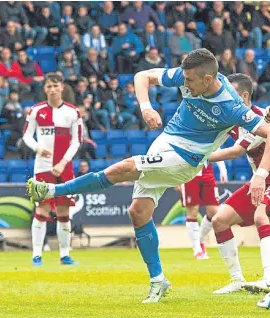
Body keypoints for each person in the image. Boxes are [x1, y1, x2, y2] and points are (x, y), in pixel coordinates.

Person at [27, 48, 270, 304]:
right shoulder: (188, 75)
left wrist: (261, 174)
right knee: (138, 212)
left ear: (208, 80)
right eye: (184, 79)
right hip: (165, 142)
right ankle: (158, 280)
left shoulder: (230, 105)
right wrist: (146, 107)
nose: (184, 85)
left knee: (125, 167)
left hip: (186, 159)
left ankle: (52, 191)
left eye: (189, 82)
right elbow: (142, 76)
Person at [203, 73, 270, 294]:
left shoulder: (259, 118)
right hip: (258, 180)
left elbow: (236, 151)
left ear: (243, 95)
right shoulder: (232, 120)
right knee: (220, 220)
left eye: (230, 94)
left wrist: (200, 157)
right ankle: (237, 280)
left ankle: (268, 279)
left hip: (265, 178)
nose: (226, 98)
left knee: (262, 217)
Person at [22, 73, 83, 267]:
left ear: (62, 87)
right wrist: (37, 148)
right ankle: (37, 255)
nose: (52, 89)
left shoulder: (73, 112)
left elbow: (77, 141)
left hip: (64, 167)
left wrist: (63, 162)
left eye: (55, 85)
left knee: (64, 210)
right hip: (43, 167)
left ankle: (64, 255)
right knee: (43, 209)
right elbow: (26, 136)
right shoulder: (36, 111)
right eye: (49, 86)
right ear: (45, 89)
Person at [177, 162, 227, 260]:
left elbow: (216, 147)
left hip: (207, 171)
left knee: (214, 212)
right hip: (189, 171)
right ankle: (197, 249)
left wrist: (223, 169)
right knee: (193, 211)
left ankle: (199, 239)